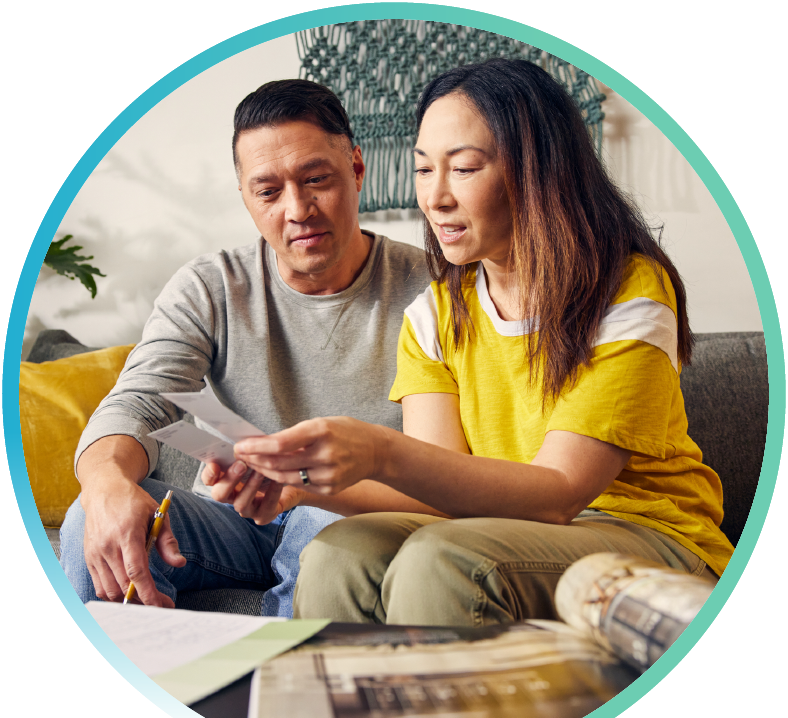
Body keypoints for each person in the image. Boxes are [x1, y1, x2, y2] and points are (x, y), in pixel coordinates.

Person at [214, 58, 735, 626]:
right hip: (501, 531)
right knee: (340, 553)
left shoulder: (627, 289)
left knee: (443, 560)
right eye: (423, 170)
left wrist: (379, 450)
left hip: (647, 534)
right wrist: (298, 487)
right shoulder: (434, 316)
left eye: (463, 168)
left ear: (538, 171)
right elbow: (435, 495)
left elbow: (562, 491)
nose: (434, 198)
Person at [59, 79, 439, 616]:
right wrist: (103, 482)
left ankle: (279, 690)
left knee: (322, 526)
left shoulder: (436, 288)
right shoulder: (210, 286)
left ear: (356, 169)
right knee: (83, 521)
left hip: (357, 511)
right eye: (268, 191)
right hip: (237, 514)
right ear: (245, 197)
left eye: (316, 180)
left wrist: (306, 485)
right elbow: (141, 400)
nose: (298, 209)